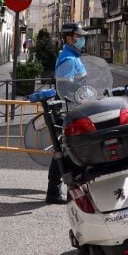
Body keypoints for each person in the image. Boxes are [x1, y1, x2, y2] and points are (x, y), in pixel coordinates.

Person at [44, 21, 90, 204]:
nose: (81, 40)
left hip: (72, 108)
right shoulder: (69, 59)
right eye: (78, 37)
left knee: (66, 150)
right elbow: (65, 88)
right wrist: (79, 100)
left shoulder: (74, 56)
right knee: (64, 151)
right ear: (69, 38)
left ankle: (68, 188)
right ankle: (54, 191)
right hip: (68, 110)